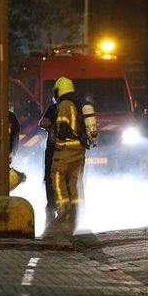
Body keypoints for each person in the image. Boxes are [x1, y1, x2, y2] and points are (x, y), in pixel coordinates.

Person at [49, 76, 88, 231]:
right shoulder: (78, 104)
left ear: (60, 90)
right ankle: (77, 213)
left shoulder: (64, 105)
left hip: (67, 148)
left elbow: (62, 128)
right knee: (75, 182)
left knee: (57, 176)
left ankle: (63, 211)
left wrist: (57, 142)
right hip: (80, 148)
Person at [38, 99, 59, 224]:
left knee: (51, 179)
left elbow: (42, 123)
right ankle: (71, 212)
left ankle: (51, 210)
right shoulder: (77, 108)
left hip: (53, 150)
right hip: (74, 151)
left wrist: (52, 125)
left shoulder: (54, 108)